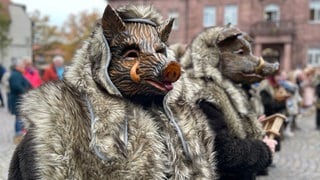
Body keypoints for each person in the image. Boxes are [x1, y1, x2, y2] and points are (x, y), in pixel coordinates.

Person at [9, 5, 218, 179]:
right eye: (132, 54)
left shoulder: (183, 118)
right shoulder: (61, 123)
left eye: (159, 51)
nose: (161, 63)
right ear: (103, 60)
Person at [178, 25, 278, 179]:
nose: (251, 61)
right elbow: (223, 152)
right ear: (213, 55)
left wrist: (250, 127)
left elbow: (226, 129)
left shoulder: (223, 88)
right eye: (240, 53)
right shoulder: (200, 92)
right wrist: (263, 150)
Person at [9, 58, 31, 144]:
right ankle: (18, 136)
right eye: (22, 66)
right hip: (17, 99)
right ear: (18, 67)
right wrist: (26, 92)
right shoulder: (15, 75)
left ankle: (20, 135)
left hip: (20, 98)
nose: (24, 68)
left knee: (20, 117)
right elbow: (16, 86)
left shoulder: (18, 74)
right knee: (19, 117)